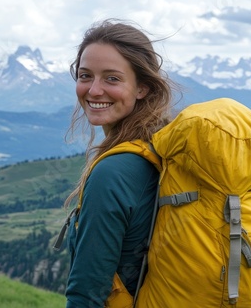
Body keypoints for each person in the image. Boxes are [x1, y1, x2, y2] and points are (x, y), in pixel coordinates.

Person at [63, 19, 176, 308]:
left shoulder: (113, 172)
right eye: (85, 75)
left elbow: (87, 294)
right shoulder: (163, 148)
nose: (94, 90)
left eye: (112, 78)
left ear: (143, 88)